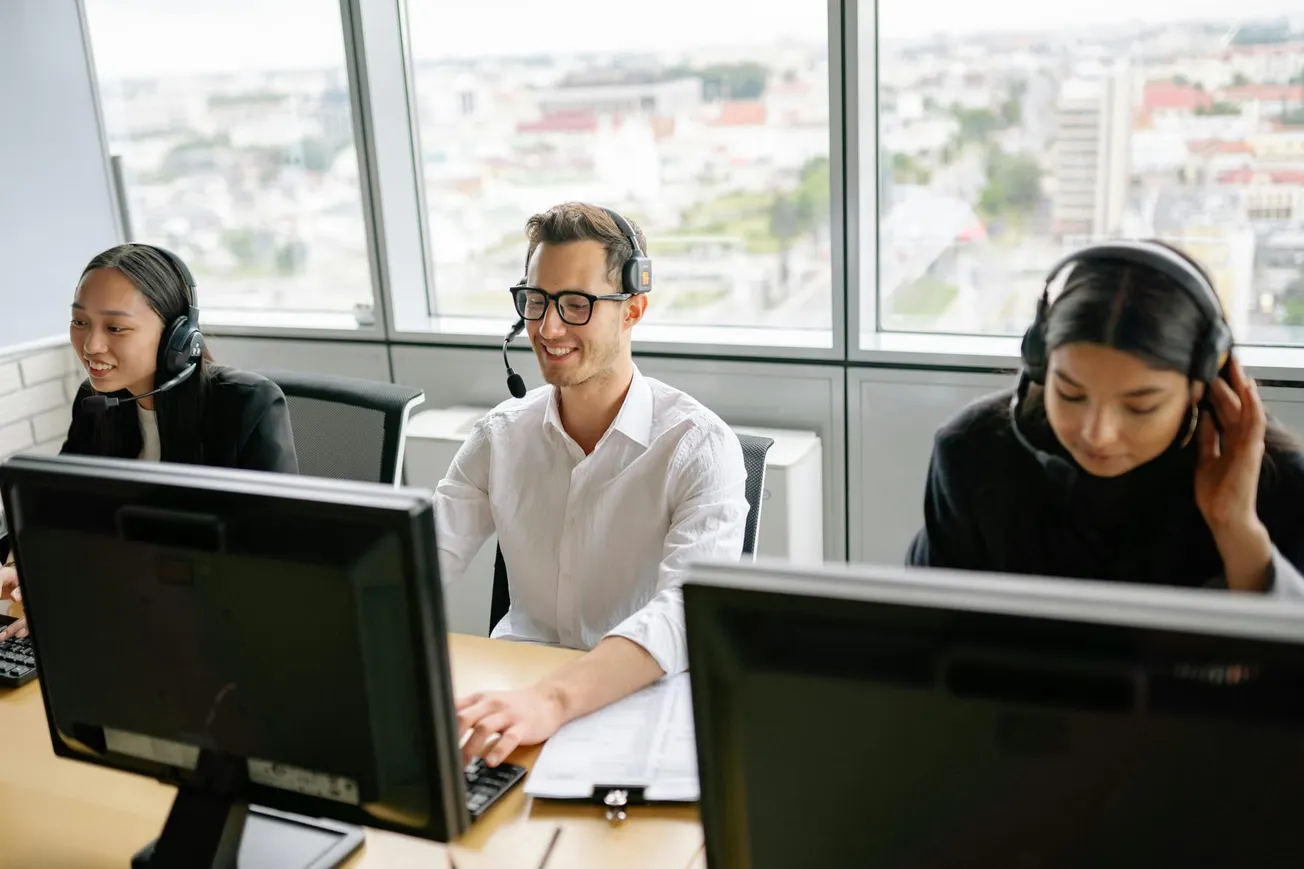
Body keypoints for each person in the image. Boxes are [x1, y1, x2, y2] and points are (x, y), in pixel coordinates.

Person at [439, 202, 749, 766]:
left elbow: (685, 614)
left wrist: (552, 700)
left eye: (576, 304)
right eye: (536, 301)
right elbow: (420, 558)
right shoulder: (500, 437)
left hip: (639, 706)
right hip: (519, 698)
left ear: (633, 310)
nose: (548, 327)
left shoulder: (699, 446)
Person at [907, 239, 1304, 596]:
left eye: (1140, 407)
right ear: (1040, 366)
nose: (1098, 435)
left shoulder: (1281, 485)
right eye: (1070, 393)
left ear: (1204, 384)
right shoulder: (972, 453)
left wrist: (1236, 528)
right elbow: (922, 630)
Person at [1, 244, 298, 640]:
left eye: (115, 328)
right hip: (131, 628)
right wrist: (28, 561)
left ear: (178, 337)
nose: (91, 346)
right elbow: (60, 510)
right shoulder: (98, 405)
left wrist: (95, 601)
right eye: (79, 322)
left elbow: (272, 560)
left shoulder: (245, 404)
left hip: (223, 635)